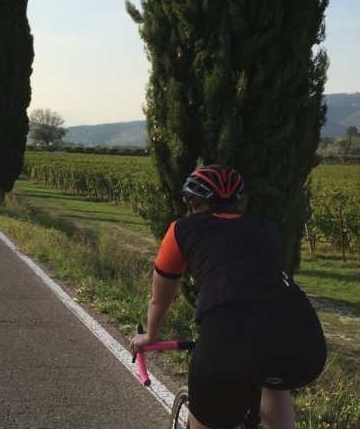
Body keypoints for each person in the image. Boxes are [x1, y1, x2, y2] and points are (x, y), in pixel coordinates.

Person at [130, 165, 326, 429]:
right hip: (301, 337)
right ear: (238, 202)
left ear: (192, 203)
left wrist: (150, 337)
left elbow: (160, 298)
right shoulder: (266, 229)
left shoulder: (181, 229)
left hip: (228, 336)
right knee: (273, 380)